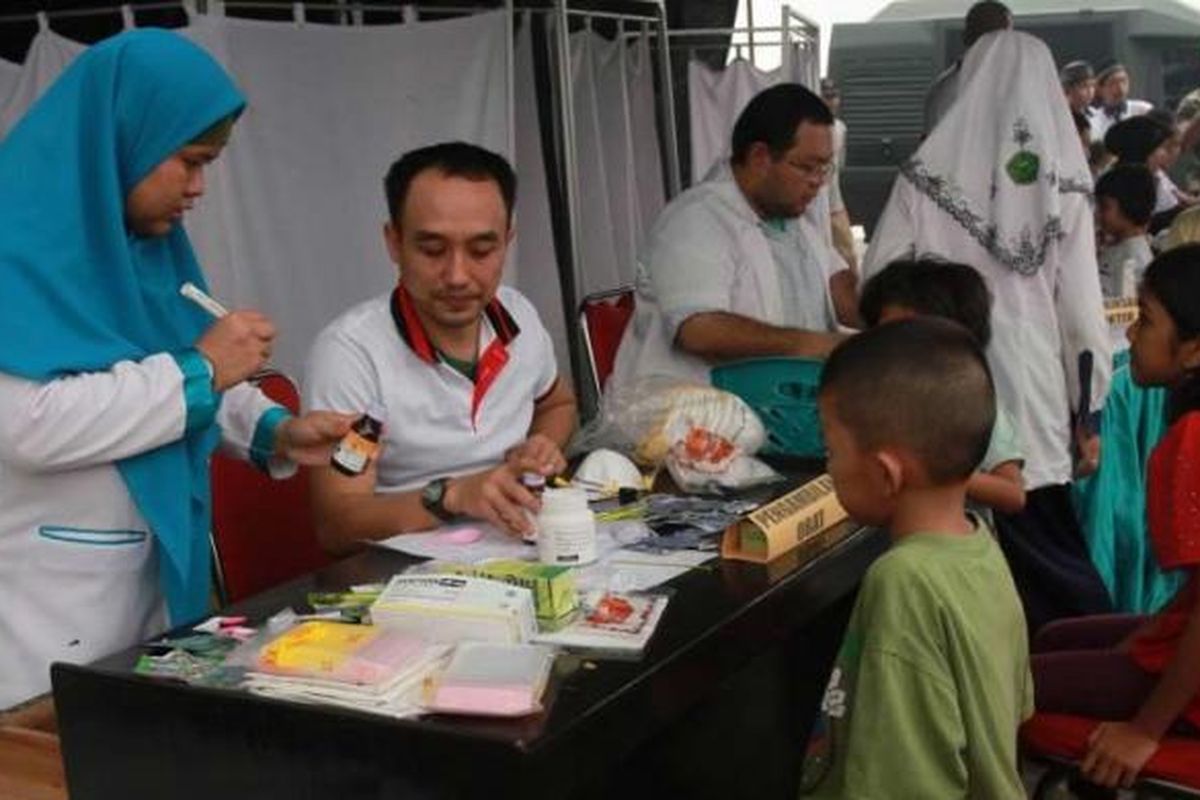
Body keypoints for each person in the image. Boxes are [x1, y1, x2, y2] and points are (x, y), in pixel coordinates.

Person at [0, 30, 354, 709]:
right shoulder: (13, 251)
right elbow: (28, 425)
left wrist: (276, 431)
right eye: (189, 161)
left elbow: (183, 370)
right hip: (41, 615)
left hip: (144, 590)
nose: (198, 188)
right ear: (125, 137)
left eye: (210, 163)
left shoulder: (139, 246)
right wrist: (199, 370)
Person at [864, 30, 1114, 635]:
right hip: (1034, 390)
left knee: (956, 529)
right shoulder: (1069, 184)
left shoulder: (925, 177)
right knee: (1043, 538)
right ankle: (1063, 665)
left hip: (940, 382)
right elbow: (1081, 312)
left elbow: (878, 283)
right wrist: (1091, 411)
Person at [799, 318, 1032, 798]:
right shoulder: (981, 545)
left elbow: (906, 783)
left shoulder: (903, 580)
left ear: (886, 474)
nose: (829, 466)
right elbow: (1016, 704)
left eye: (831, 450)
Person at [305, 142, 577, 553]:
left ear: (508, 241)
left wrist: (540, 446)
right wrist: (450, 496)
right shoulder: (352, 353)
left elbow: (557, 404)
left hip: (517, 546)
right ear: (394, 243)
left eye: (482, 250)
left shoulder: (518, 317)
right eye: (432, 250)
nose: (457, 275)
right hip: (404, 574)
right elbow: (339, 522)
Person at [1031, 246, 1200, 790]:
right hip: (1182, 636)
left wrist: (1145, 730)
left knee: (1008, 692)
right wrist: (1148, 631)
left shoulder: (1194, 439)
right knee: (1058, 635)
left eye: (1146, 322)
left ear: (1194, 349)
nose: (1130, 337)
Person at [607, 84, 853, 394]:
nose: (818, 182)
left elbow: (837, 285)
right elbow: (699, 329)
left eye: (824, 168)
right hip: (690, 419)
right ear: (760, 157)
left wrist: (887, 317)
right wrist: (815, 345)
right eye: (806, 167)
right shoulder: (696, 220)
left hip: (781, 409)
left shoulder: (791, 218)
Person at [858, 259, 1025, 518]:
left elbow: (1012, 494)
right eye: (886, 337)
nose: (896, 349)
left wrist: (937, 472)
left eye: (913, 337)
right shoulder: (878, 403)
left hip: (958, 551)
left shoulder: (974, 407)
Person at [923, 1, 1012, 134]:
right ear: (966, 37)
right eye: (989, 35)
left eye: (1005, 36)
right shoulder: (948, 92)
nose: (997, 43)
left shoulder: (1009, 82)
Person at [1095, 164, 1156, 298]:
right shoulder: (1116, 247)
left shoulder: (1133, 260)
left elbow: (1124, 314)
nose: (1097, 213)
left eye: (1104, 206)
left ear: (1130, 206)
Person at [820, 77, 858, 276]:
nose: (832, 102)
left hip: (834, 203)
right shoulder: (812, 128)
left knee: (848, 254)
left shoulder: (841, 128)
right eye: (827, 97)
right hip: (813, 204)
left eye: (834, 97)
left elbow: (839, 165)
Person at [1089, 61, 1154, 144]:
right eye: (1113, 83)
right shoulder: (1093, 122)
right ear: (1100, 89)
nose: (1120, 88)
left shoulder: (1144, 110)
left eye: (1124, 81)